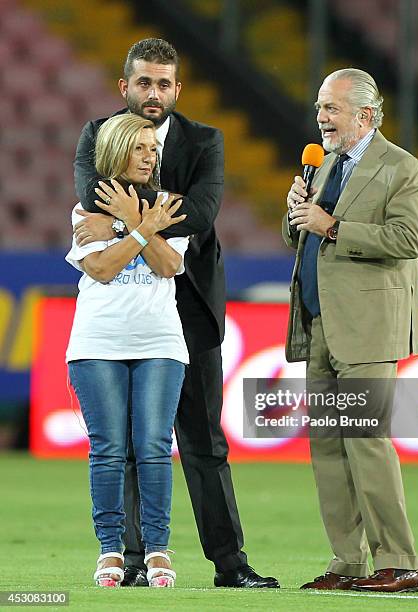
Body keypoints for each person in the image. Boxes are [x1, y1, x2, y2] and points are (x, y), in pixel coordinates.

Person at [73, 38, 279, 589]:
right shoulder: (100, 134)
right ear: (125, 86)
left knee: (203, 440)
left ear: (177, 89)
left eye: (164, 84)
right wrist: (153, 219)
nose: (154, 93)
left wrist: (124, 222)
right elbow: (88, 199)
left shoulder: (204, 140)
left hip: (187, 305)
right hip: (129, 303)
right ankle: (134, 559)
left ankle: (230, 564)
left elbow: (202, 214)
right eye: (144, 82)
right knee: (135, 444)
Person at [283, 68, 418, 593]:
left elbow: (407, 238)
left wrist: (334, 226)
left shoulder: (401, 168)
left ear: (364, 115)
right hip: (319, 325)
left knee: (366, 440)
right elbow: (298, 234)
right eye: (321, 107)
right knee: (327, 445)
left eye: (331, 109)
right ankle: (348, 562)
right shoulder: (325, 166)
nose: (321, 118)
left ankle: (399, 562)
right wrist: (298, 208)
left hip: (366, 329)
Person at [66, 113, 189, 587]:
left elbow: (170, 264)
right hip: (98, 340)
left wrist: (129, 227)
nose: (149, 156)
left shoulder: (170, 203)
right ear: (116, 151)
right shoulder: (84, 210)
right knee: (109, 449)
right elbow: (99, 270)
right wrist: (140, 228)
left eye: (152, 149)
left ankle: (158, 549)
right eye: (139, 148)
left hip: (159, 339)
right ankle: (110, 551)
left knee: (155, 447)